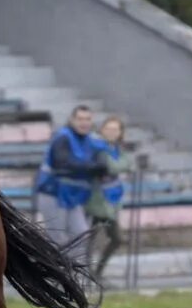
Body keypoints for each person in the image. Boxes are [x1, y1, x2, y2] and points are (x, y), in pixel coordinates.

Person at [35, 105, 105, 255]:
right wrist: (93, 167)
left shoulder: (89, 141)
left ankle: (73, 274)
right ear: (72, 120)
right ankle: (57, 274)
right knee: (58, 239)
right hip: (53, 193)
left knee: (81, 234)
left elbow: (103, 162)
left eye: (87, 119)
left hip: (72, 197)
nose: (84, 123)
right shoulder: (63, 138)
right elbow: (63, 162)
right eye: (80, 119)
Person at [86, 116, 132, 279]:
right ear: (102, 130)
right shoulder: (97, 147)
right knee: (88, 240)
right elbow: (110, 166)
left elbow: (128, 164)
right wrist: (117, 165)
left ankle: (97, 272)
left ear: (120, 133)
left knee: (116, 238)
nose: (112, 132)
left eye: (115, 130)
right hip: (94, 200)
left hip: (111, 200)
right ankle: (87, 273)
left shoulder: (118, 149)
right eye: (108, 129)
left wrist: (117, 165)